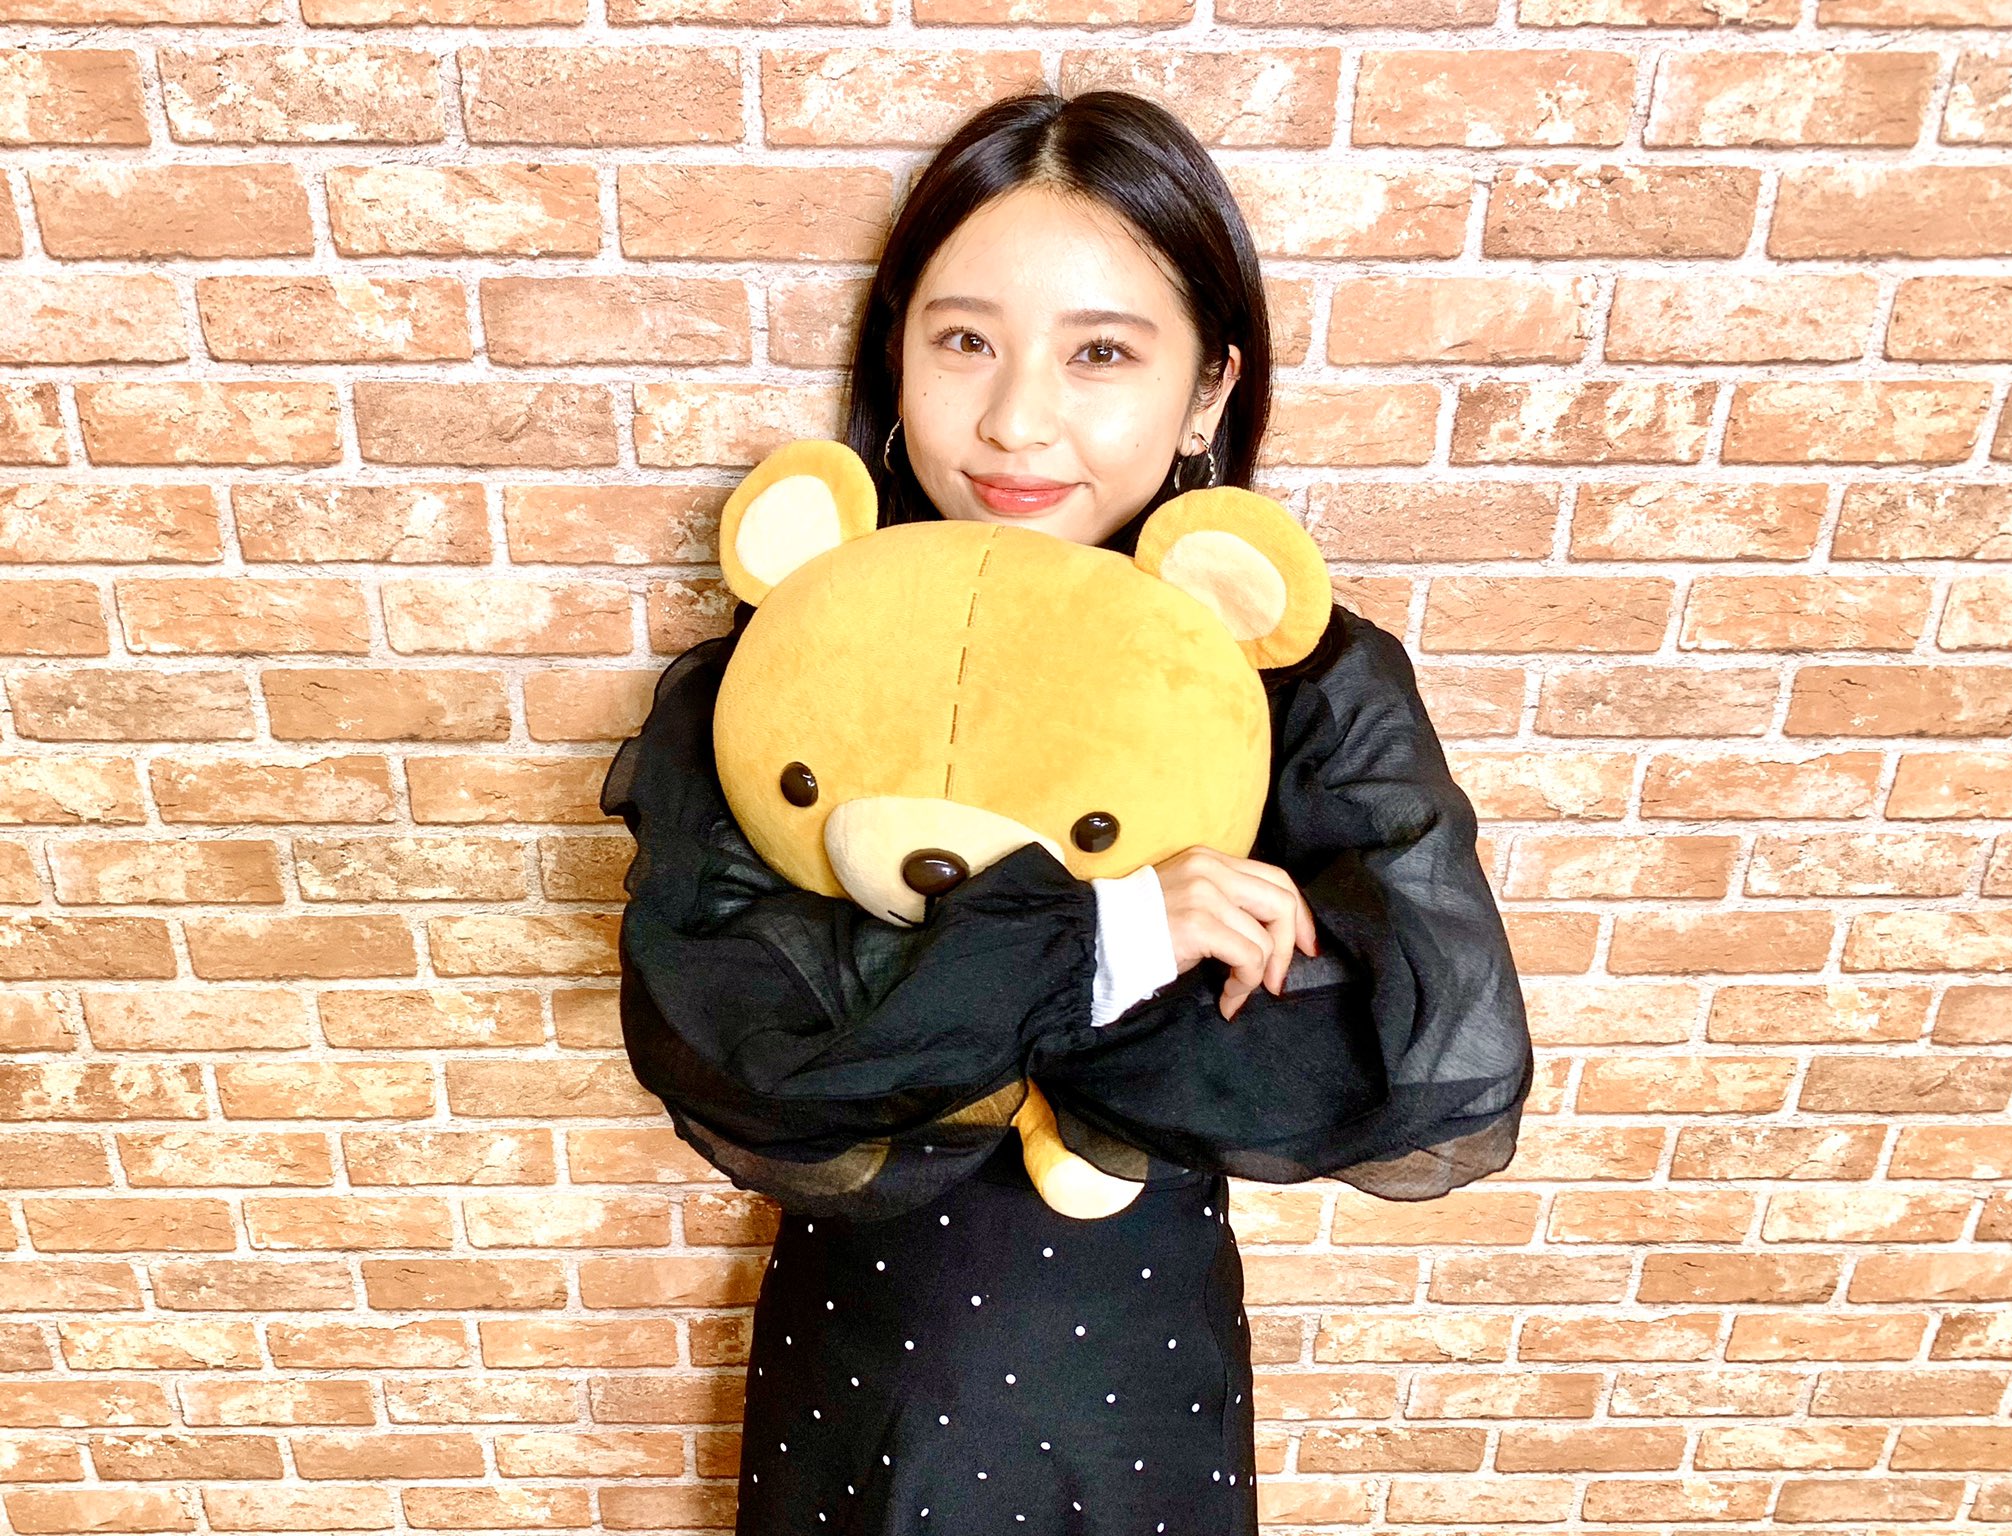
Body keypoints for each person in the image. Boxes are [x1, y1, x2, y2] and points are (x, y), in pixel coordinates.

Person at [600, 89, 1535, 1535]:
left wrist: (941, 989)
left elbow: (1415, 1055)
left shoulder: (1294, 678)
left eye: (1101, 351)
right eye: (964, 340)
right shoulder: (796, 662)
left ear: (1209, 390)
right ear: (895, 352)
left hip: (1129, 1369)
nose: (1016, 418)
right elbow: (732, 1037)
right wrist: (1118, 933)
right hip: (861, 1363)